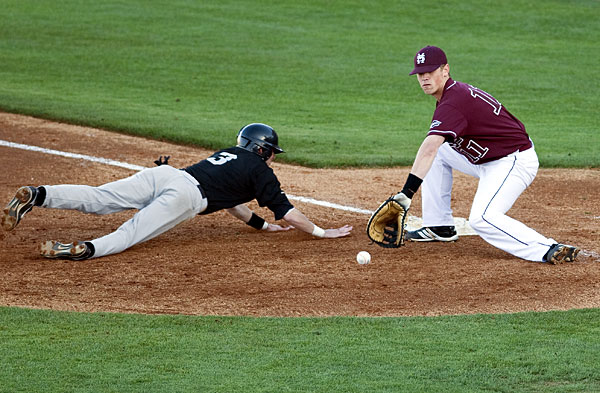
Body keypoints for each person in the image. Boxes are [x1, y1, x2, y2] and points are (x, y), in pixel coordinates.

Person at [1, 123, 353, 260]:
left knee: (100, 198)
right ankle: (84, 250)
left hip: (166, 175)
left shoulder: (227, 155)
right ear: (263, 150)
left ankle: (39, 193)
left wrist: (261, 226)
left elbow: (231, 202)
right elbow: (289, 212)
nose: (273, 160)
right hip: (185, 197)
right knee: (130, 234)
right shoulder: (261, 171)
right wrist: (323, 232)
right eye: (273, 153)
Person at [388, 46, 579, 264]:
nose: (424, 78)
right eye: (420, 74)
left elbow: (429, 147)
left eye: (430, 72)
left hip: (512, 161)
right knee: (439, 152)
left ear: (445, 70)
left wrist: (406, 194)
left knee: (482, 218)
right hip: (486, 158)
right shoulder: (451, 95)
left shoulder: (454, 101)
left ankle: (547, 248)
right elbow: (432, 148)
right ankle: (439, 225)